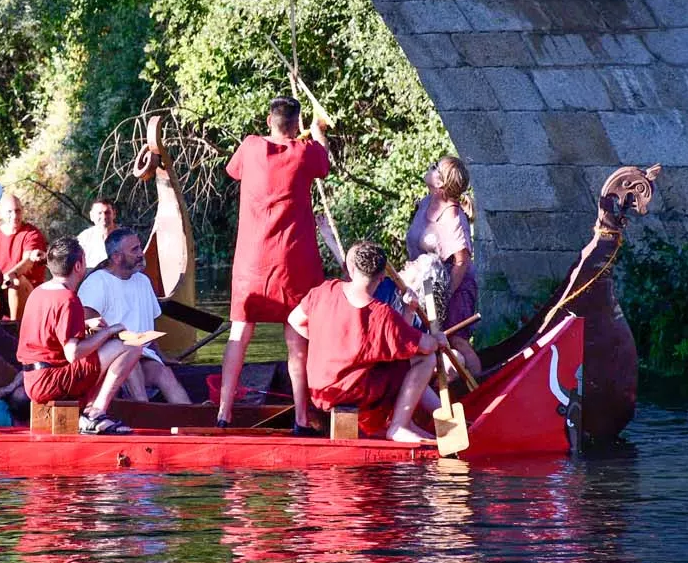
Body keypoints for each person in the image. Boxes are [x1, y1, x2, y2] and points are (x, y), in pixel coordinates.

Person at [216, 96, 329, 433]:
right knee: (296, 337)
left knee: (240, 331)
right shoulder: (305, 152)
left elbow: (232, 170)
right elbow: (323, 165)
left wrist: (301, 135)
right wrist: (318, 130)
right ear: (295, 125)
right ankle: (300, 418)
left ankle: (224, 412)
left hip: (252, 259)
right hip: (294, 260)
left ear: (269, 121)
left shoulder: (250, 147)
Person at [288, 241, 453, 443]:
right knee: (425, 360)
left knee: (399, 362)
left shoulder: (325, 290)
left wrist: (326, 341)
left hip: (319, 390)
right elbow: (427, 347)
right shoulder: (382, 315)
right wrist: (438, 339)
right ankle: (399, 426)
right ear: (382, 278)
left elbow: (294, 320)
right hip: (351, 392)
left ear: (352, 269)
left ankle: (408, 424)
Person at [17, 237, 143, 435]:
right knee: (131, 346)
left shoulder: (39, 292)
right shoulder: (68, 299)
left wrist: (84, 325)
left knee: (106, 345)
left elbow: (49, 329)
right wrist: (109, 331)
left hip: (33, 379)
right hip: (52, 380)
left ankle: (89, 414)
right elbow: (73, 353)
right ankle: (95, 414)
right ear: (78, 266)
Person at [77, 226, 189, 405]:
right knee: (131, 358)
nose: (141, 254)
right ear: (116, 257)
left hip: (143, 355)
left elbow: (148, 327)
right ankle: (144, 413)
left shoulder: (143, 281)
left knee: (164, 373)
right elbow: (84, 327)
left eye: (139, 247)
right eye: (134, 250)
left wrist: (161, 356)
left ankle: (191, 419)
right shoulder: (97, 283)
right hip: (110, 360)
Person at [404, 157, 482, 374]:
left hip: (452, 288)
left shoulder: (452, 218)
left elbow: (462, 262)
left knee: (456, 341)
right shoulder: (427, 202)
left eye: (436, 167)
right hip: (426, 286)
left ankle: (481, 386)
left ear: (440, 183)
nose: (431, 166)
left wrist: (443, 297)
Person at [0, 194, 47, 321]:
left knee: (16, 281)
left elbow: (28, 261)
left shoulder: (31, 233)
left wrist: (11, 274)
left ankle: (15, 327)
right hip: (1, 288)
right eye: (9, 212)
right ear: (1, 214)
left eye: (17, 211)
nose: (14, 216)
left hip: (27, 291)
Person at [77, 198, 117, 270]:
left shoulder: (126, 237)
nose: (104, 217)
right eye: (99, 213)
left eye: (107, 212)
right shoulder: (84, 238)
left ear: (114, 214)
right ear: (91, 216)